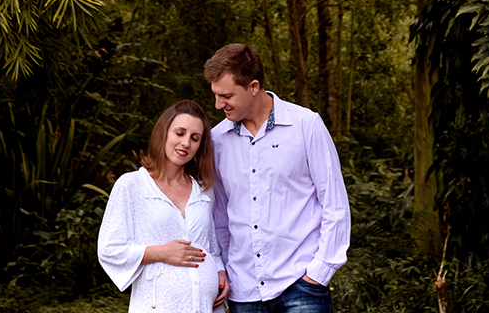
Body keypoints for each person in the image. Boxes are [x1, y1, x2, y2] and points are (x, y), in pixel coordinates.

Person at [205, 43, 350, 313]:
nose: (218, 104)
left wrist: (319, 272)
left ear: (253, 86)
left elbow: (334, 203)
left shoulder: (306, 125)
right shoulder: (217, 140)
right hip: (243, 291)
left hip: (301, 286)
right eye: (215, 95)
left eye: (226, 96)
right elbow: (220, 215)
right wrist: (222, 267)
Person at [98, 100, 230, 313]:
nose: (186, 143)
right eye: (180, 133)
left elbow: (211, 247)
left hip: (205, 307)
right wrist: (161, 252)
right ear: (164, 133)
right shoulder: (132, 185)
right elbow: (109, 249)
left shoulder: (204, 190)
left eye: (194, 138)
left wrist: (220, 270)